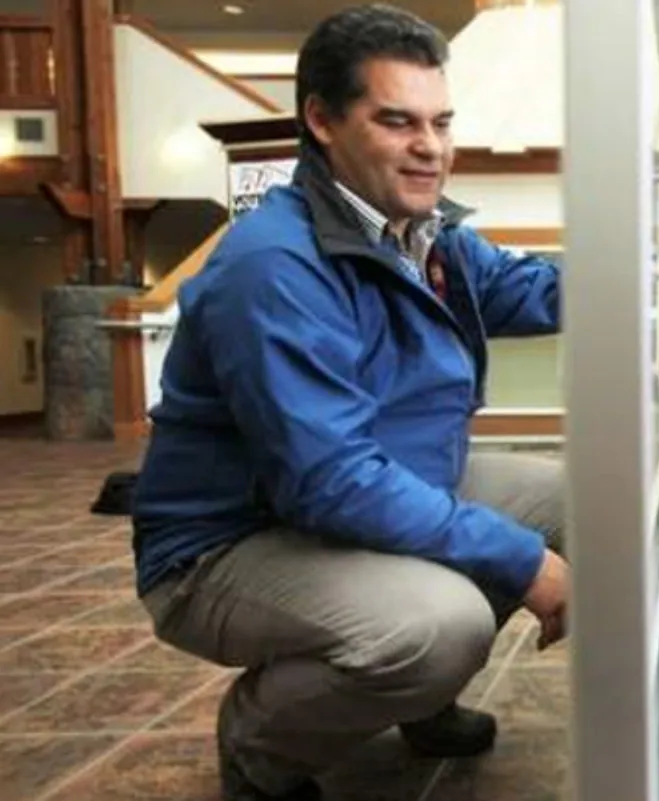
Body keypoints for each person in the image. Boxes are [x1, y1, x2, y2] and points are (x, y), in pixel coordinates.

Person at [128, 5, 570, 800]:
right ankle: (259, 744)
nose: (430, 146)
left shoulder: (421, 233)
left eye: (440, 121)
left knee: (579, 502)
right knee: (442, 623)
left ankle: (421, 693)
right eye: (397, 121)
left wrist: (631, 259)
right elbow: (330, 481)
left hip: (351, 496)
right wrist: (523, 561)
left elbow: (526, 289)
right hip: (229, 541)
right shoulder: (273, 268)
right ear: (322, 121)